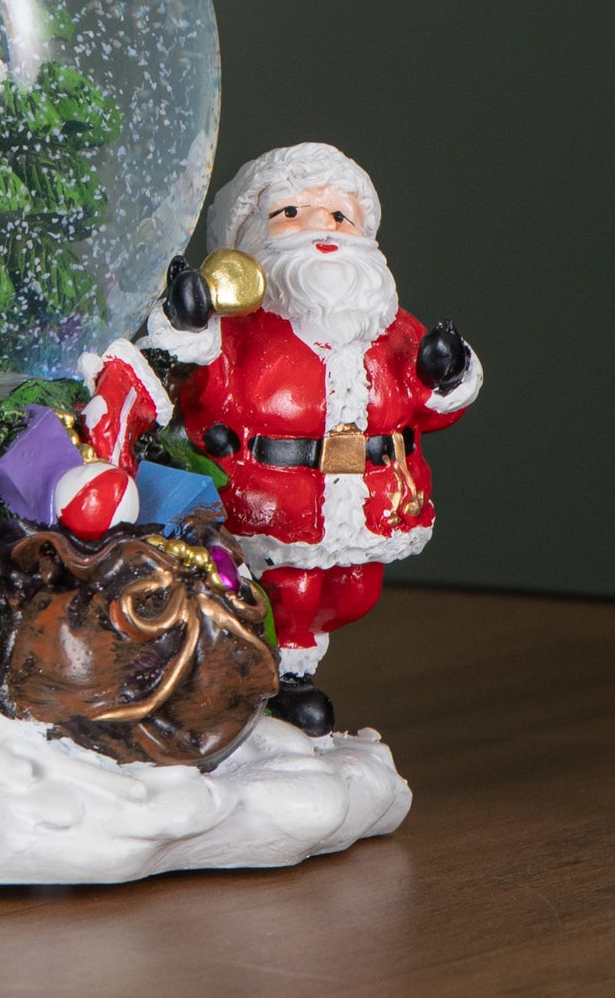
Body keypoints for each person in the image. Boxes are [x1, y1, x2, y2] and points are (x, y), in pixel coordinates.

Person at [142, 143, 481, 734]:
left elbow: (428, 404)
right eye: (291, 213)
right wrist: (187, 325)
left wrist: (443, 373)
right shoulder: (240, 329)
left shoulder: (387, 325)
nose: (320, 230)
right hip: (274, 497)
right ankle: (276, 680)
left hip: (374, 498)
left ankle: (280, 663)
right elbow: (193, 378)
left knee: (353, 593)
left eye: (338, 216)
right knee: (286, 593)